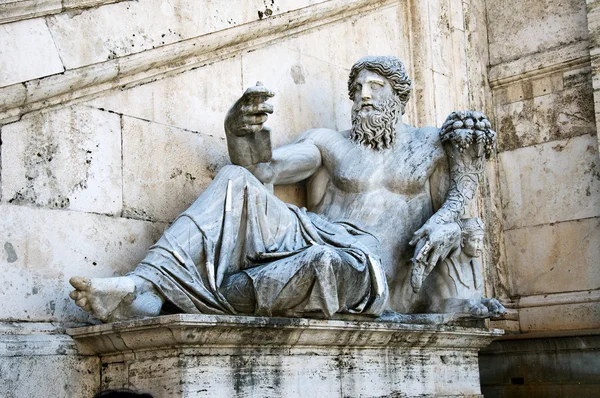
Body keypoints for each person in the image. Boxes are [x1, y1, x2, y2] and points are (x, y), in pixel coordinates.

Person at [69, 56, 496, 322]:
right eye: (358, 89)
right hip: (315, 232)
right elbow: (263, 170)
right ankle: (144, 287)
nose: (364, 96)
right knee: (235, 179)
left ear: (398, 96)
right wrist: (239, 133)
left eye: (375, 87)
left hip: (368, 268)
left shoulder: (429, 145)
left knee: (323, 263)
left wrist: (456, 286)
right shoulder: (330, 143)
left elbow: (457, 208)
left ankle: (181, 297)